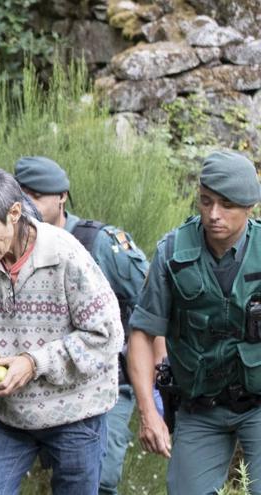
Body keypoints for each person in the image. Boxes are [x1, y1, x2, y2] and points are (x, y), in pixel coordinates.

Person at [0, 165, 122, 494]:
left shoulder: (66, 255)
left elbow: (106, 336)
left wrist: (32, 363)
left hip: (76, 411)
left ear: (14, 212)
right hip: (5, 413)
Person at [13, 155, 161, 494]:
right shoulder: (9, 245)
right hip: (37, 385)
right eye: (21, 196)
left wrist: (155, 373)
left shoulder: (100, 243)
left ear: (62, 196)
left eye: (36, 196)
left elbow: (151, 304)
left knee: (101, 479)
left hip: (104, 383)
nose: (26, 205)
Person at [128, 150, 261, 494]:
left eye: (227, 205)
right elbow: (142, 334)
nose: (214, 215)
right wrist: (149, 413)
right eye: (206, 201)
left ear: (250, 206)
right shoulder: (172, 252)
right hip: (201, 408)